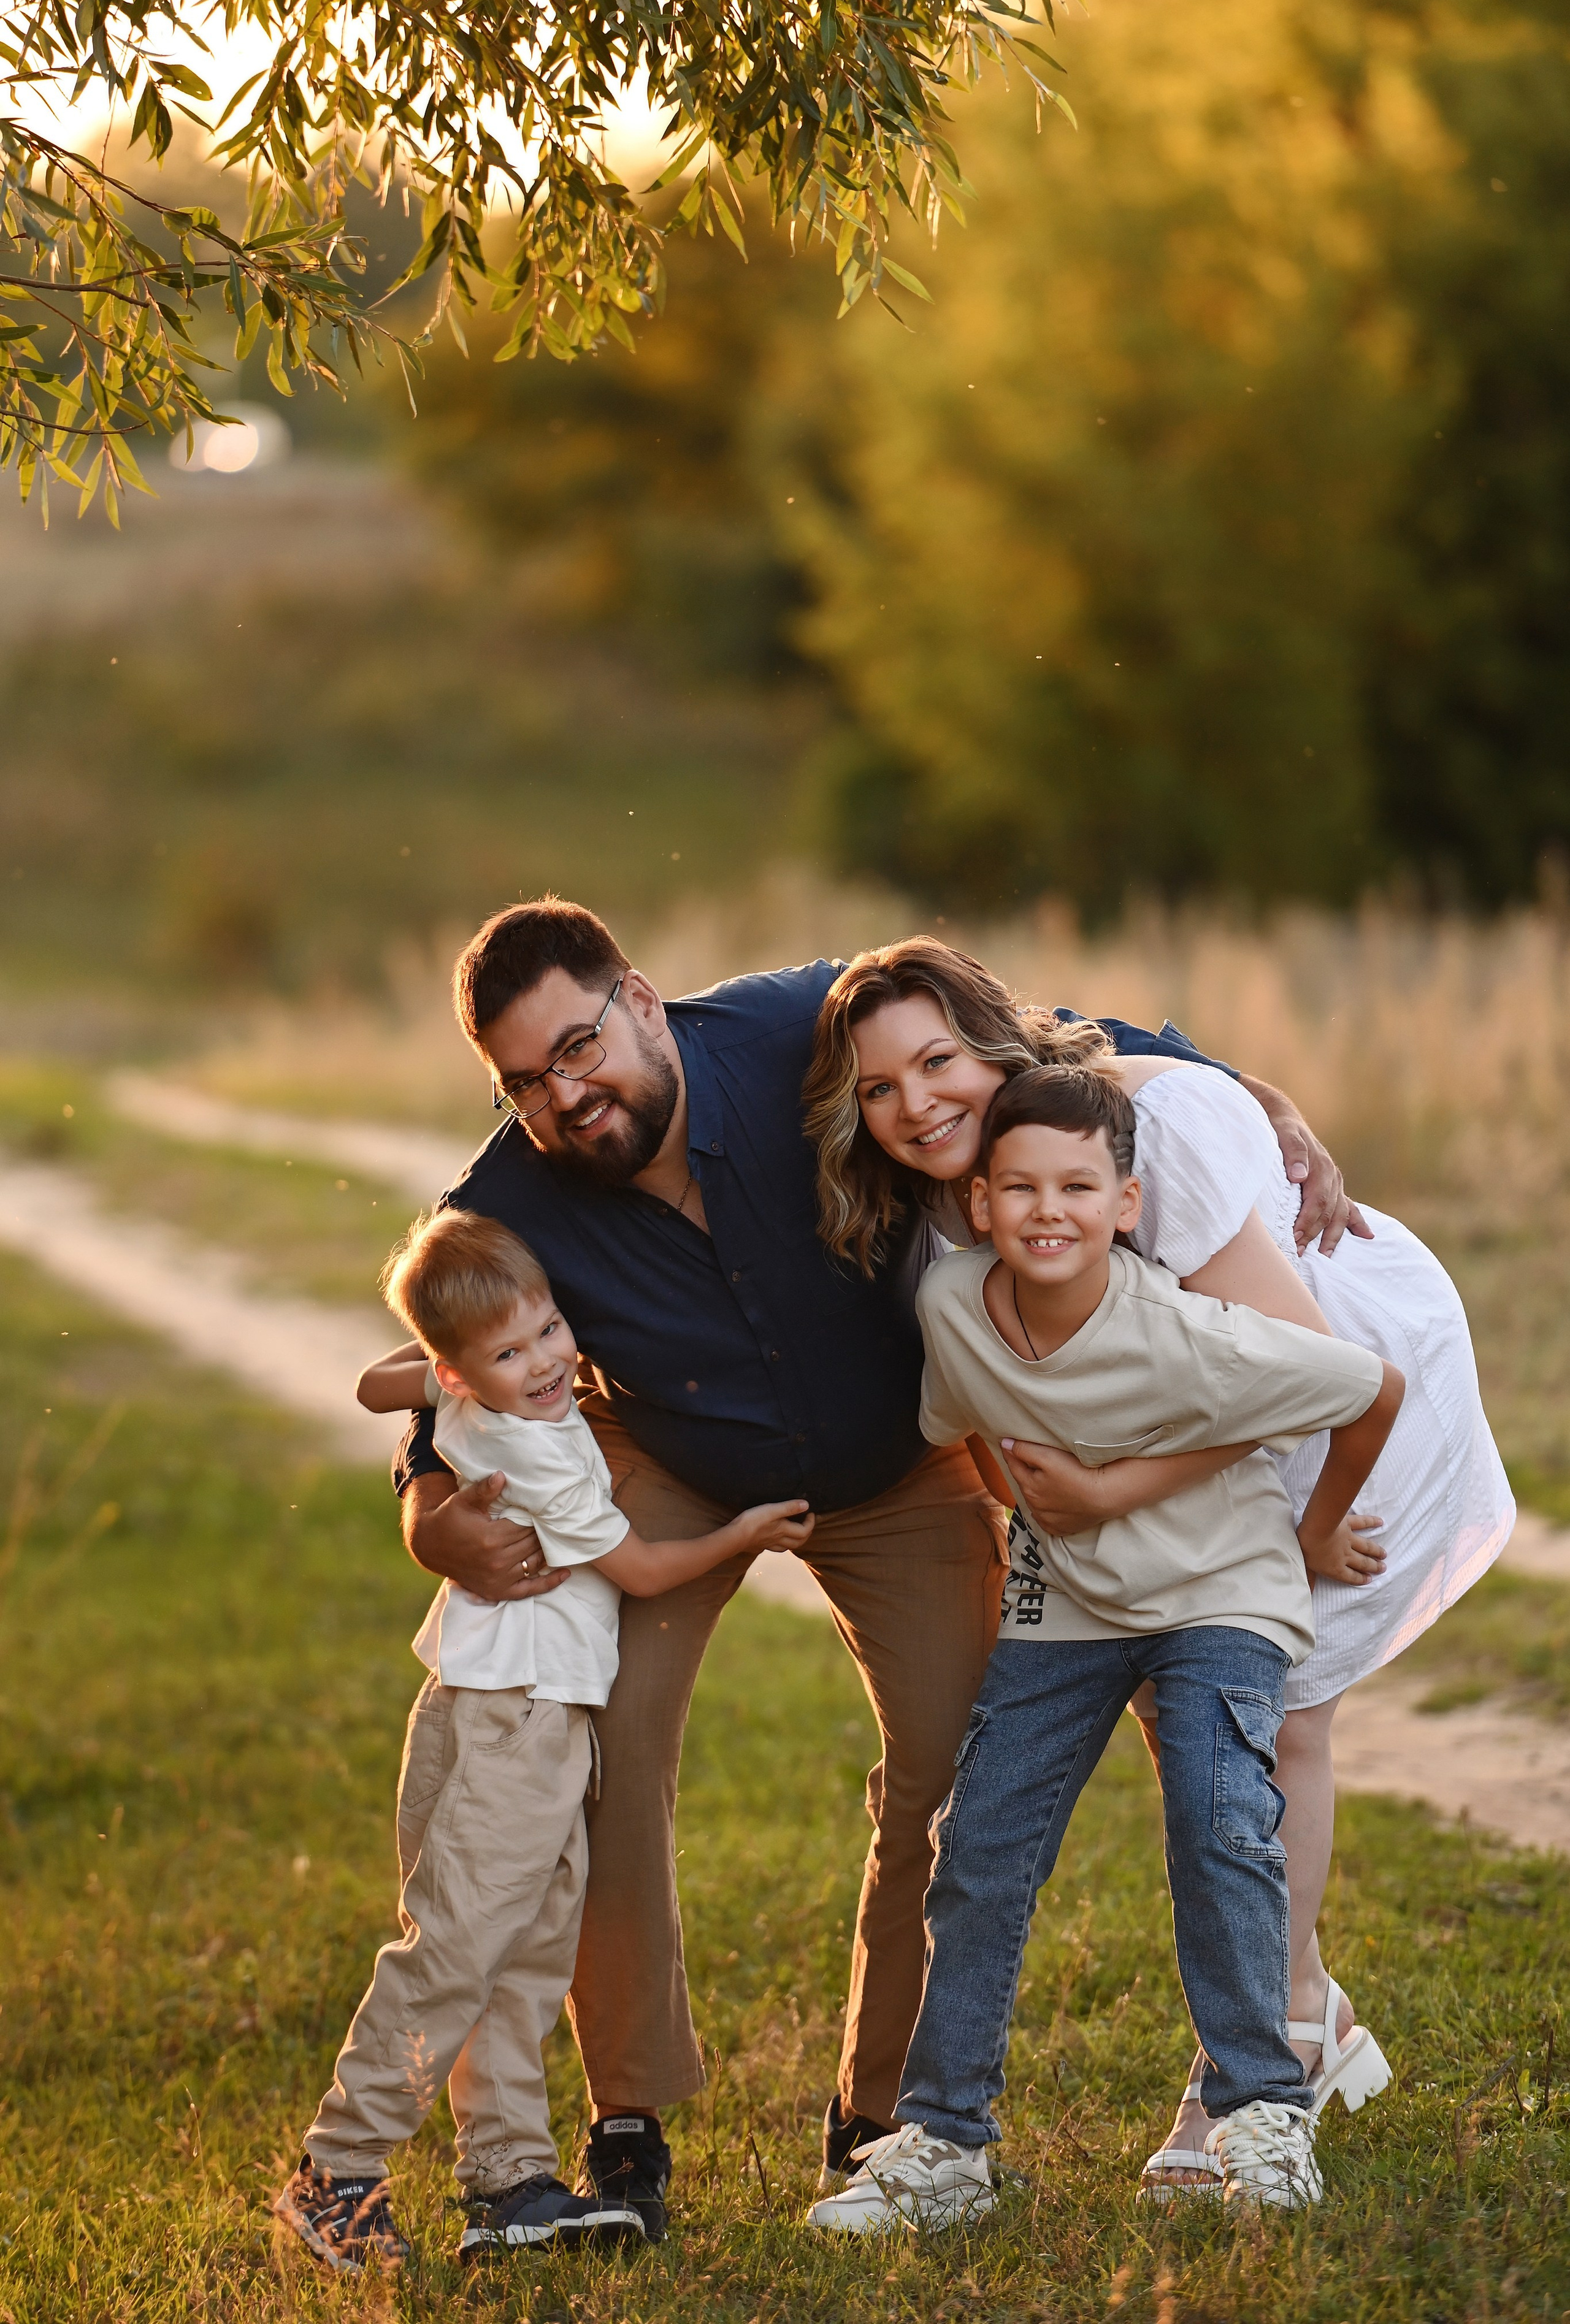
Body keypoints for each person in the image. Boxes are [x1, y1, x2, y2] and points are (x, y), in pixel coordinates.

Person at [393, 895, 1358, 2214]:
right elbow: (455, 1361)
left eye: (576, 1050)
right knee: (603, 1737)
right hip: (675, 1471)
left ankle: (890, 2115)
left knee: (956, 1757)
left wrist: (1248, 1096)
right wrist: (427, 1501)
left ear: (635, 994)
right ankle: (626, 2122)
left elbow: (1035, 1046)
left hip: (897, 1462)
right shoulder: (510, 1194)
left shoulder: (800, 1024)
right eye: (522, 1082)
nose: (563, 1097)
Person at [802, 937, 1514, 2191]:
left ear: (992, 1047)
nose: (914, 1104)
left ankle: (1264, 2064)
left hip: (1326, 1400)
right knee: (1186, 1726)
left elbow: (1300, 1372)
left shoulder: (1142, 1144)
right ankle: (1303, 2005)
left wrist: (1162, 1503)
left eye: (936, 1063)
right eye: (878, 1089)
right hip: (1182, 1454)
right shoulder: (954, 1220)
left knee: (1271, 1730)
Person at [274, 1207, 811, 2274]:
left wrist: (455, 1366)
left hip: (526, 1717)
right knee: (459, 1951)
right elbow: (648, 1572)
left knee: (525, 1959)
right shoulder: (541, 1454)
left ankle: (509, 2181)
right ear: (468, 1369)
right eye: (512, 1352)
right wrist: (744, 1533)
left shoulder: (464, 1395)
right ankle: (336, 2174)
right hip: (511, 1719)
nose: (550, 1359)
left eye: (552, 1328)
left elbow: (375, 1387)